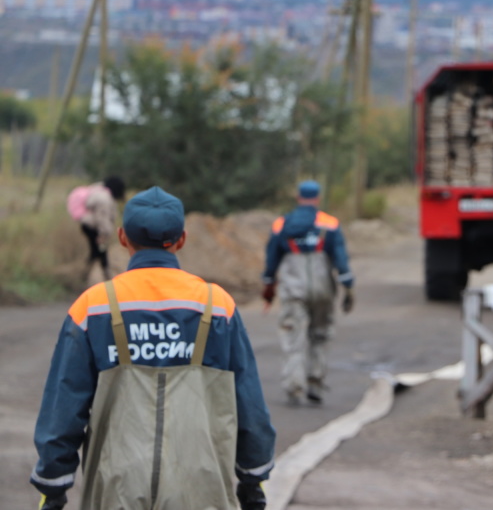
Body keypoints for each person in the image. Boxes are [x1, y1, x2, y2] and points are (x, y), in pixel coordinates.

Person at [32, 186, 276, 510]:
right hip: (201, 488)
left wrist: (53, 485)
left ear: (122, 238)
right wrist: (252, 478)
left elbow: (63, 406)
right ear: (182, 240)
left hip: (115, 486)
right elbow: (249, 404)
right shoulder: (218, 306)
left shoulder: (93, 307)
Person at [262, 180, 355, 406]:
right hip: (323, 288)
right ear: (318, 198)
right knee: (320, 334)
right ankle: (315, 381)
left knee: (293, 336)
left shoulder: (282, 224)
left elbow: (271, 260)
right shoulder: (330, 224)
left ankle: (294, 386)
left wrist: (268, 286)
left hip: (293, 288)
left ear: (298, 197)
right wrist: (348, 287)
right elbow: (341, 259)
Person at [68, 176, 126, 282]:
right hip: (93, 228)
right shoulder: (105, 199)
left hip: (88, 225)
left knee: (96, 252)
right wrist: (103, 234)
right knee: (100, 251)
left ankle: (84, 275)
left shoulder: (99, 192)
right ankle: (106, 278)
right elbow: (102, 219)